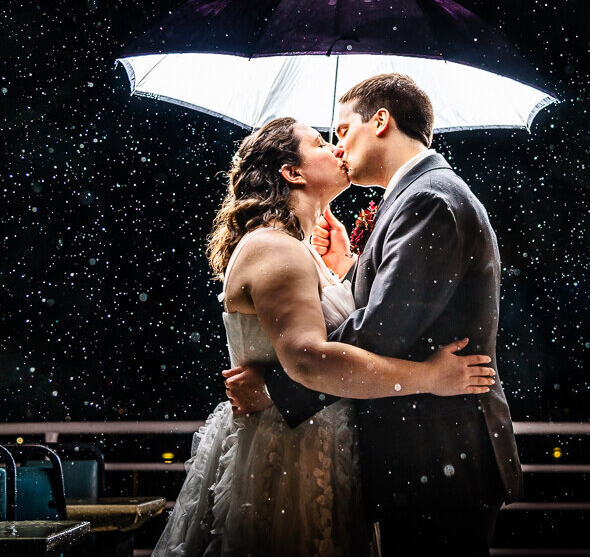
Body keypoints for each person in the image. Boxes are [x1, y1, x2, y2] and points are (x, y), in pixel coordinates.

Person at [152, 116, 496, 557]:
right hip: (288, 460)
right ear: (292, 173)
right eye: (320, 142)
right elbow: (311, 360)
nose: (336, 148)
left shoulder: (300, 249)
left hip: (318, 447)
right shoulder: (276, 247)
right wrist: (429, 377)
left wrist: (345, 268)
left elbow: (354, 325)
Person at [226, 73, 524, 557]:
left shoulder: (427, 199)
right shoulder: (420, 196)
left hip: (436, 450)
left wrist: (277, 388)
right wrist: (349, 268)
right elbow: (403, 308)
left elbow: (384, 331)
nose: (338, 149)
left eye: (341, 131)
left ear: (380, 121)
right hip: (427, 453)